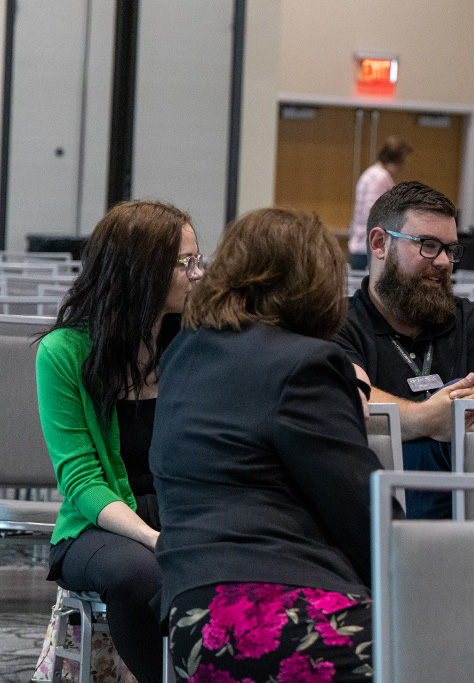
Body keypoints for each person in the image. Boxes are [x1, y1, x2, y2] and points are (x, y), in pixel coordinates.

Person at [151, 207, 393, 681]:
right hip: (285, 606)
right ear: (313, 283)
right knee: (469, 642)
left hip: (192, 616)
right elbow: (363, 511)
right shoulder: (306, 364)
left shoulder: (183, 352)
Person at [36, 200, 201, 683]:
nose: (198, 274)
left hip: (180, 510)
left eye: (198, 259)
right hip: (97, 524)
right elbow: (81, 480)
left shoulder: (193, 343)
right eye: (186, 262)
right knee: (139, 574)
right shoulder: (64, 353)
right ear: (142, 271)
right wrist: (153, 538)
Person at [337, 181, 474, 520]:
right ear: (380, 243)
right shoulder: (337, 322)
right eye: (428, 246)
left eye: (451, 249)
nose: (444, 261)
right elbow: (341, 399)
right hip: (369, 509)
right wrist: (430, 418)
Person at [348, 136, 412, 271]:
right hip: (368, 249)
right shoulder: (380, 177)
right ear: (396, 160)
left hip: (361, 246)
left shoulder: (370, 173)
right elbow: (374, 215)